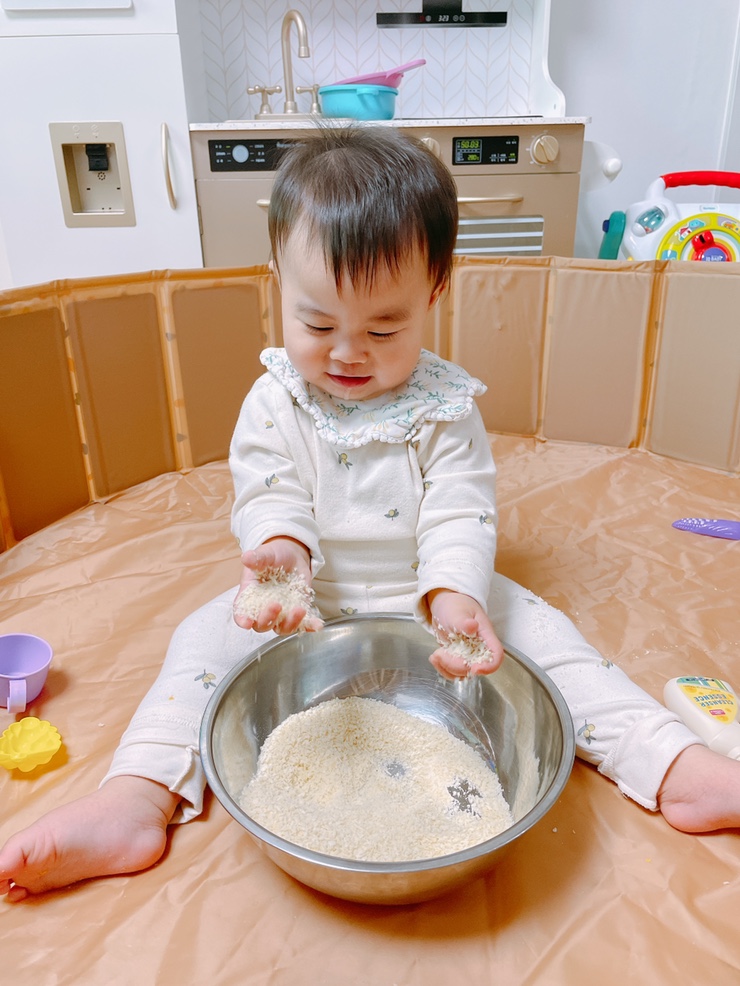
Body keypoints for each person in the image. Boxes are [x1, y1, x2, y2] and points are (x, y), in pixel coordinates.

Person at [1, 127, 739, 902]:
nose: (348, 353)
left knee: (556, 645)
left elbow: (460, 510)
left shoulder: (443, 408)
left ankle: (675, 766)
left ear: (434, 291)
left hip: (433, 597)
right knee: (195, 646)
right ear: (277, 282)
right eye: (316, 324)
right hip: (308, 602)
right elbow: (267, 486)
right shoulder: (275, 398)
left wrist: (455, 595)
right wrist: (279, 551)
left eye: (384, 329)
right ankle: (136, 799)